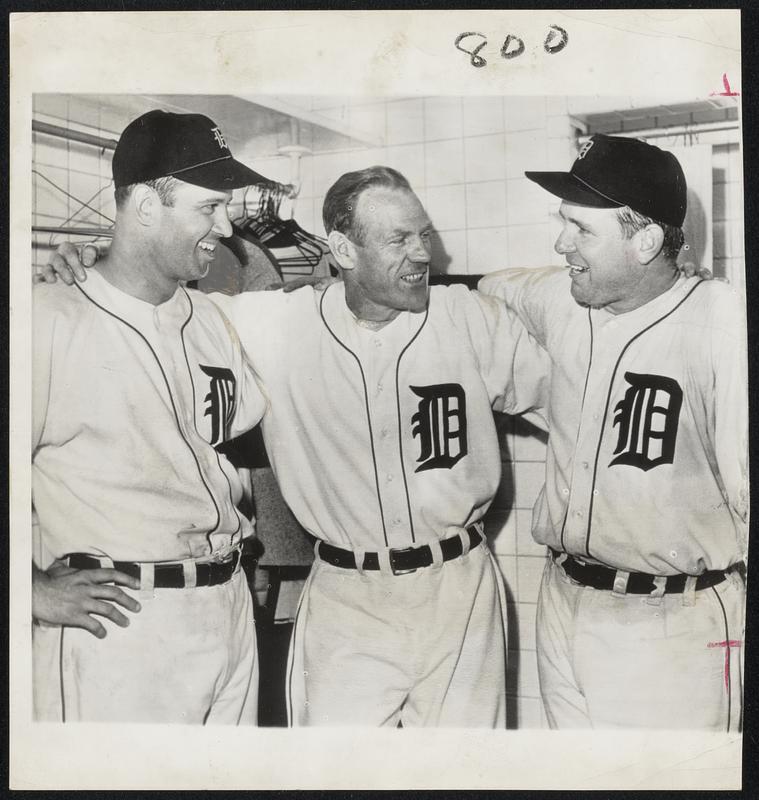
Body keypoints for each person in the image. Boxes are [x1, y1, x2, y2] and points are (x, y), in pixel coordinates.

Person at [44, 165, 549, 727]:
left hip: (459, 587)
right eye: (398, 239)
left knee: (466, 771)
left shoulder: (471, 317)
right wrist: (90, 264)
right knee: (335, 775)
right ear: (342, 249)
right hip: (346, 594)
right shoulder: (270, 325)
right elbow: (151, 302)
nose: (421, 253)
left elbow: (573, 411)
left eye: (423, 234)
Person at [478, 134, 748, 730]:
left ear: (647, 240)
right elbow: (493, 284)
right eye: (563, 224)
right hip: (564, 599)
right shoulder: (564, 298)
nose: (560, 244)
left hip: (676, 619)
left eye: (582, 230)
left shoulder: (722, 324)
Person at [32, 109, 270, 723]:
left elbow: (227, 444)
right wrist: (28, 591)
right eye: (208, 207)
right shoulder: (48, 317)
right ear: (143, 205)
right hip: (123, 624)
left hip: (228, 609)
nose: (226, 225)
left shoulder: (210, 317)